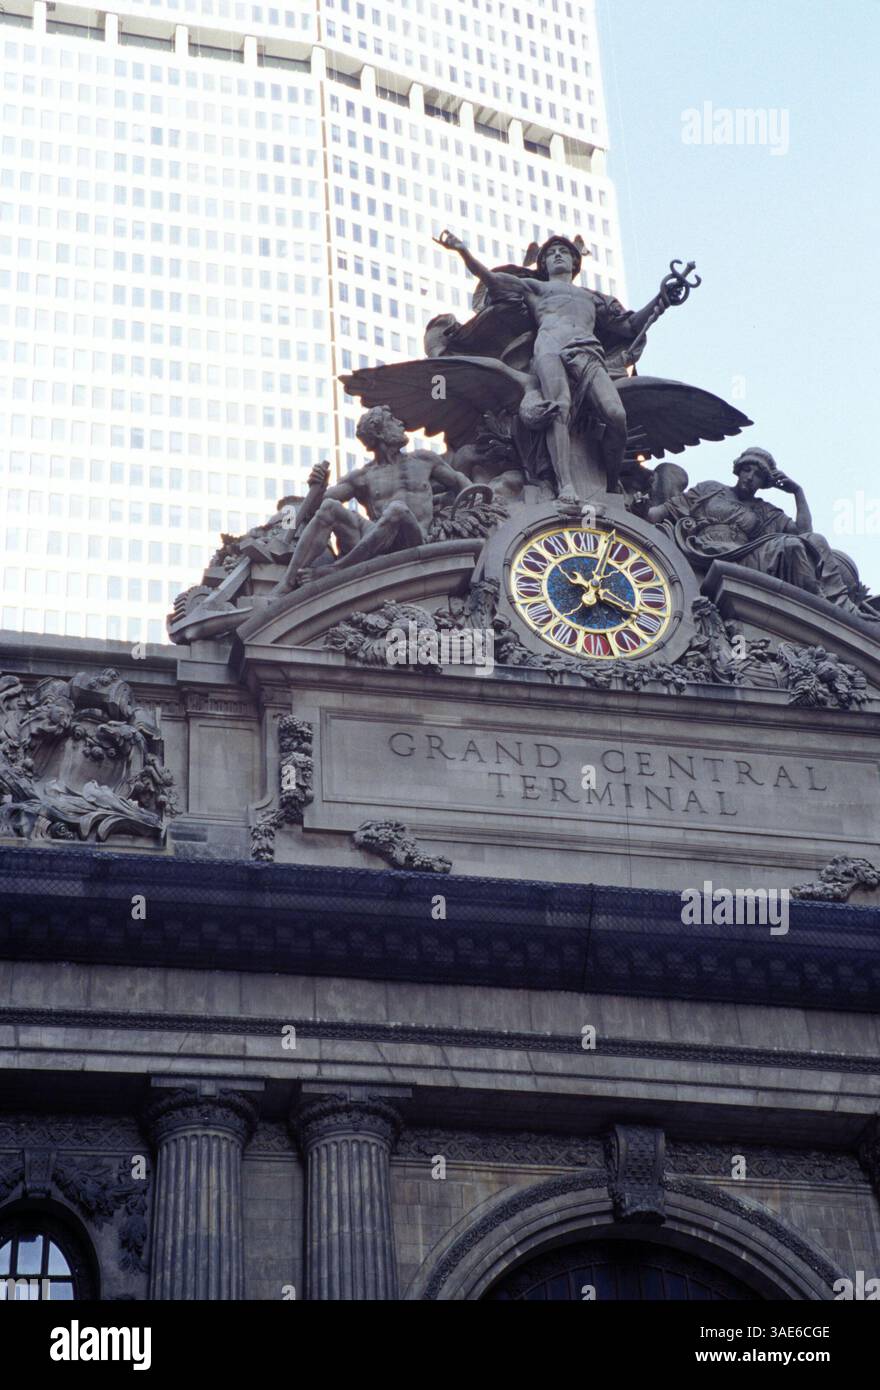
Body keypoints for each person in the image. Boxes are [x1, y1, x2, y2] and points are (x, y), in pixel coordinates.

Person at [438, 231, 669, 497]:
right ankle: (565, 485)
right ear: (544, 264)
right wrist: (463, 251)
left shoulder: (593, 298)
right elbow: (491, 279)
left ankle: (610, 480)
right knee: (559, 408)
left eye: (564, 252)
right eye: (550, 253)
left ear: (574, 263)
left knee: (615, 414)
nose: (557, 255)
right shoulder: (536, 288)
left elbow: (629, 326)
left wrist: (659, 301)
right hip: (550, 348)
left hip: (587, 351)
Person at [272, 405, 472, 594]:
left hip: (413, 539)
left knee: (397, 510)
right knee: (329, 507)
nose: (401, 423)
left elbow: (459, 482)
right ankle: (286, 585)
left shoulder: (424, 460)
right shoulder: (363, 476)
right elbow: (316, 507)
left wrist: (474, 496)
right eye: (393, 420)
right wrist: (319, 485)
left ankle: (336, 569)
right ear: (378, 431)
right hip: (378, 544)